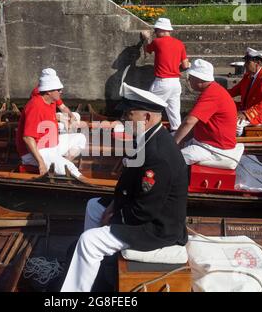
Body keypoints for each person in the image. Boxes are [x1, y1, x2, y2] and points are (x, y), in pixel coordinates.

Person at [61, 83, 188, 292]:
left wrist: (114, 218)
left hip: (158, 227)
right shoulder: (148, 137)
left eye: (129, 114)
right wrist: (113, 205)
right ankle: (95, 267)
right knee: (94, 206)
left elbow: (145, 210)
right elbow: (128, 182)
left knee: (89, 241)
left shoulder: (158, 155)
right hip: (144, 212)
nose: (124, 119)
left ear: (146, 117)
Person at [16, 69, 86, 177]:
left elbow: (62, 107)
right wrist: (41, 163)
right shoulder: (35, 106)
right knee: (71, 169)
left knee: (81, 138)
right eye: (59, 90)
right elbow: (27, 138)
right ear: (49, 91)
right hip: (39, 150)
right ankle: (63, 167)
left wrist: (71, 116)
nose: (61, 92)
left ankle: (61, 163)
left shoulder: (51, 99)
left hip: (52, 144)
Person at [174, 59, 239, 166]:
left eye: (190, 77)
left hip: (214, 148)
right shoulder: (213, 90)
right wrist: (180, 139)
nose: (189, 79)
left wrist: (174, 143)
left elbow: (189, 122)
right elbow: (193, 124)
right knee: (170, 139)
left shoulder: (212, 93)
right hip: (207, 142)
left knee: (171, 159)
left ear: (199, 78)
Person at [140, 17, 190, 132]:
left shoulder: (157, 42)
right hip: (176, 83)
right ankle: (176, 136)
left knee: (147, 107)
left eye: (156, 30)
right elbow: (185, 65)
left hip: (162, 82)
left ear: (160, 30)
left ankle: (145, 132)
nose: (155, 33)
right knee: (174, 114)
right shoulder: (180, 44)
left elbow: (147, 51)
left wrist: (145, 39)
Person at [227, 47, 262, 136]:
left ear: (258, 63)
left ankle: (236, 143)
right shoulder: (247, 76)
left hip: (261, 115)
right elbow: (234, 91)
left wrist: (246, 114)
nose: (245, 65)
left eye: (247, 62)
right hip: (246, 110)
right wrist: (218, 95)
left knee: (236, 126)